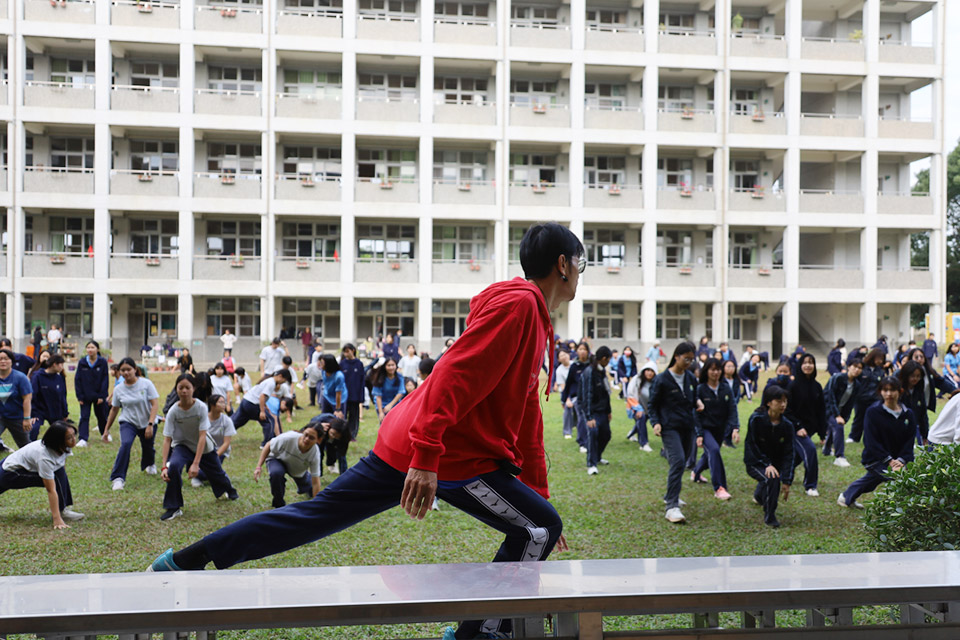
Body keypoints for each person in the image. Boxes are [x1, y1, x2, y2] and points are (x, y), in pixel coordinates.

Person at [147, 221, 579, 640]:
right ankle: (479, 634)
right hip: (445, 452)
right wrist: (427, 457)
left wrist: (536, 494)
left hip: (414, 442)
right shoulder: (520, 305)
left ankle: (184, 560)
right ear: (562, 265)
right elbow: (453, 374)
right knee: (537, 529)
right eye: (580, 263)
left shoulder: (534, 318)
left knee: (311, 517)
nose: (580, 273)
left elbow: (527, 418)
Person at [159, 375, 239, 521]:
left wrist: (196, 463)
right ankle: (173, 507)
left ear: (193, 389)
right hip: (182, 445)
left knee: (217, 474)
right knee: (174, 467)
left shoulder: (201, 407)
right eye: (180, 388)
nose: (184, 391)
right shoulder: (173, 411)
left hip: (204, 447)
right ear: (176, 389)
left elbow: (202, 436)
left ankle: (229, 489)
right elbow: (167, 439)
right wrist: (164, 466)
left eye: (187, 387)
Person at [838, 376, 916, 509]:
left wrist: (901, 460)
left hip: (898, 460)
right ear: (880, 392)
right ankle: (905, 509)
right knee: (898, 479)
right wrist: (889, 461)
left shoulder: (908, 414)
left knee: (872, 481)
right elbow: (870, 441)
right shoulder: (873, 412)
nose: (889, 394)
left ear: (900, 391)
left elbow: (909, 441)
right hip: (876, 458)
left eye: (892, 390)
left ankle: (846, 497)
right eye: (885, 390)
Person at [649, 341, 699, 524]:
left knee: (681, 462)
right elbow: (652, 405)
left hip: (687, 427)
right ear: (676, 357)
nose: (688, 363)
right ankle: (672, 506)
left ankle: (671, 494)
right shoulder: (662, 379)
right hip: (669, 428)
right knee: (677, 460)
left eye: (691, 360)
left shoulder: (691, 379)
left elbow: (693, 400)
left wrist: (698, 403)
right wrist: (655, 423)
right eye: (686, 358)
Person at [0, 420, 84, 529]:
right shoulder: (44, 457)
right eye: (69, 438)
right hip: (10, 473)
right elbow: (51, 490)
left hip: (12, 465)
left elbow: (61, 466)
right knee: (56, 479)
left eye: (74, 435)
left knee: (59, 474)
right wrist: (57, 519)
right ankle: (61, 512)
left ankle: (62, 509)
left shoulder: (63, 446)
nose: (74, 440)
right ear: (58, 440)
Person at [103, 358, 161, 490]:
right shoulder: (119, 389)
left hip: (147, 421)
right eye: (122, 370)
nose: (126, 373)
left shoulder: (146, 384)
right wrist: (106, 429)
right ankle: (118, 478)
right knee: (126, 444)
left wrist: (150, 424)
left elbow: (155, 404)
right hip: (128, 422)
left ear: (135, 369)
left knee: (148, 446)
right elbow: (114, 410)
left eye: (128, 369)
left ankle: (150, 463)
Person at [743, 385, 794, 528]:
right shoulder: (756, 419)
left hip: (774, 464)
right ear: (768, 403)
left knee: (773, 478)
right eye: (779, 401)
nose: (783, 404)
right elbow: (752, 445)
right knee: (772, 478)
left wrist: (787, 480)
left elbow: (789, 453)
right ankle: (770, 515)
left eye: (785, 401)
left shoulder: (787, 426)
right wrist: (767, 464)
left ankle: (759, 496)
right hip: (755, 462)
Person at [691, 358, 738, 500]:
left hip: (720, 429)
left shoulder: (725, 388)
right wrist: (699, 433)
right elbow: (695, 414)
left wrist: (735, 427)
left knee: (710, 454)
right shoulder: (700, 390)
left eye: (718, 369)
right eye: (712, 369)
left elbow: (732, 409)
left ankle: (696, 472)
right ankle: (720, 487)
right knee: (714, 450)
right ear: (706, 371)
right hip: (705, 428)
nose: (715, 372)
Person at [256, 421, 328, 508]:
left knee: (309, 488)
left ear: (319, 440)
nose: (306, 439)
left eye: (311, 438)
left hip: (297, 470)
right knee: (276, 474)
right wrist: (258, 467)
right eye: (306, 435)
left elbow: (316, 481)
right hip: (278, 459)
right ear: (303, 431)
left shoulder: (315, 453)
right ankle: (279, 505)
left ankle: (305, 487)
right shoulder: (289, 437)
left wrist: (316, 504)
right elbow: (268, 445)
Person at [785, 354, 825, 497]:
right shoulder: (793, 386)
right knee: (810, 451)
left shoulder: (817, 386)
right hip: (795, 429)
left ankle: (781, 473)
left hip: (810, 429)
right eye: (805, 363)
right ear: (800, 365)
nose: (808, 365)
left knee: (795, 457)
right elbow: (787, 410)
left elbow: (821, 411)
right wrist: (797, 426)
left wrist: (822, 433)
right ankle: (810, 485)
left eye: (811, 363)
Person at [232, 369, 294, 447]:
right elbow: (262, 396)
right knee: (269, 421)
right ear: (280, 376)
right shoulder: (271, 383)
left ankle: (220, 432)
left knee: (235, 422)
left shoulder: (269, 380)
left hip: (246, 400)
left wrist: (266, 407)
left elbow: (262, 396)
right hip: (253, 403)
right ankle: (266, 444)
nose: (282, 383)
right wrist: (262, 411)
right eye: (284, 381)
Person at [579, 346, 612, 476]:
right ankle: (591, 464)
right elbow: (587, 395)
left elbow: (606, 392)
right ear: (604, 359)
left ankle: (597, 457)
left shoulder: (602, 371)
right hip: (592, 412)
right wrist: (589, 417)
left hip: (603, 410)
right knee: (593, 433)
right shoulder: (589, 372)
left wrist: (608, 410)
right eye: (608, 359)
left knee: (606, 434)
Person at [823, 358, 862, 468]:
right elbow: (830, 397)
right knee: (838, 426)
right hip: (827, 408)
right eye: (855, 367)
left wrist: (845, 417)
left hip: (839, 410)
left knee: (835, 426)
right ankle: (839, 457)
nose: (857, 370)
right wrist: (837, 415)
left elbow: (850, 403)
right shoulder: (837, 378)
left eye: (859, 368)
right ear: (848, 367)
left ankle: (826, 450)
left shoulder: (857, 385)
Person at [192, 394, 236, 488]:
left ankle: (207, 476)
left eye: (224, 402)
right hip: (203, 450)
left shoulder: (227, 420)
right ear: (212, 405)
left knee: (207, 472)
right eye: (220, 402)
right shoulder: (203, 418)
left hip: (219, 451)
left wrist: (215, 455)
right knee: (197, 469)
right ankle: (200, 476)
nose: (224, 405)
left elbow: (226, 443)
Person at [74, 340, 110, 447]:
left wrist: (102, 396)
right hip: (85, 396)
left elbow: (105, 380)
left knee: (102, 416)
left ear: (97, 349)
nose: (90, 350)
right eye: (88, 347)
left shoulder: (102, 362)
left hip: (98, 396)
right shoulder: (82, 362)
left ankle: (105, 434)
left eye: (92, 347)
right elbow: (78, 380)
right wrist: (79, 396)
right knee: (84, 417)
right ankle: (83, 438)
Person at [850, 348, 889, 443]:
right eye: (879, 358)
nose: (880, 361)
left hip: (875, 399)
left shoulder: (880, 371)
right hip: (861, 398)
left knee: (874, 419)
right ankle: (854, 437)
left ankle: (872, 437)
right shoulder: (863, 368)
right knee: (859, 418)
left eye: (882, 359)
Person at [0, 348, 34, 450]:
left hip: (17, 417)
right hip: (0, 416)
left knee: (26, 447)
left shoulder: (20, 377)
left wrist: (27, 419)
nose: (3, 361)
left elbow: (27, 399)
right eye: (0, 359)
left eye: (6, 359)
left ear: (12, 361)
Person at [29, 354, 68, 442]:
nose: (62, 367)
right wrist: (33, 413)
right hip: (39, 410)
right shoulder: (37, 376)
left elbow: (62, 397)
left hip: (55, 411)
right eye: (61, 364)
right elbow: (32, 396)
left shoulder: (59, 378)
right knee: (34, 427)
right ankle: (28, 447)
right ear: (54, 364)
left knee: (61, 431)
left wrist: (65, 413)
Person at [562, 342, 591, 453]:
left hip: (591, 397)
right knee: (582, 419)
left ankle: (591, 440)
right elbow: (569, 383)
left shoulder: (591, 365)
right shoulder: (575, 366)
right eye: (580, 349)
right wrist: (564, 399)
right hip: (578, 398)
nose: (582, 351)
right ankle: (582, 442)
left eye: (584, 349)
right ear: (577, 351)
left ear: (588, 351)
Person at [625, 363, 656, 452]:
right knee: (641, 418)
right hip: (635, 407)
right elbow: (630, 395)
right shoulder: (636, 380)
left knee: (642, 421)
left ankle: (631, 434)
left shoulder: (656, 382)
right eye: (647, 370)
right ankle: (644, 444)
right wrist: (638, 408)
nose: (649, 373)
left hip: (649, 408)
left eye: (652, 371)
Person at [898, 361, 929, 445]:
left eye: (918, 376)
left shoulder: (919, 391)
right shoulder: (898, 391)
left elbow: (923, 414)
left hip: (914, 427)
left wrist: (925, 435)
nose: (915, 379)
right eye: (912, 376)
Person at [340, 344, 365, 439]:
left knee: (354, 417)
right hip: (344, 396)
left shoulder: (359, 364)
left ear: (353, 350)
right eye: (345, 352)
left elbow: (362, 381)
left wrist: (361, 397)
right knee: (343, 416)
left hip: (355, 395)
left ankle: (352, 435)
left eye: (348, 351)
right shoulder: (342, 364)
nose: (346, 354)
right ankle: (343, 434)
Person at [372, 357, 404, 422]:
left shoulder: (399, 377)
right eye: (389, 365)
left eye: (393, 365)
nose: (391, 367)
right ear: (385, 367)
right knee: (384, 425)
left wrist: (390, 405)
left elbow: (401, 392)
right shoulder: (380, 378)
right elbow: (378, 396)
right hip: (382, 405)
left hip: (395, 405)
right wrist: (381, 412)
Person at [554, 350, 574, 438]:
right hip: (567, 393)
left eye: (565, 354)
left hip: (578, 392)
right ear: (559, 359)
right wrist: (567, 399)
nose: (564, 357)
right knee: (568, 408)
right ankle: (567, 432)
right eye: (561, 356)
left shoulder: (575, 365)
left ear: (569, 355)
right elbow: (563, 387)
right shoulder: (559, 370)